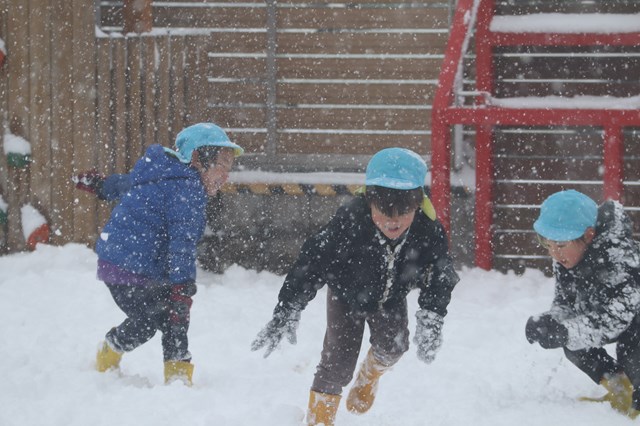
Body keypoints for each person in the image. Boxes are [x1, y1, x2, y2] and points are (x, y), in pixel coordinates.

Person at [251, 148, 460, 425]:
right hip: (346, 297)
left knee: (394, 348)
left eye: (402, 213)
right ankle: (319, 421)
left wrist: (432, 316)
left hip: (391, 299)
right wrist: (289, 306)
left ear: (418, 204)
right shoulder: (349, 223)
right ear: (369, 200)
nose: (392, 221)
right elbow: (312, 263)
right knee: (336, 365)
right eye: (384, 212)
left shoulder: (427, 231)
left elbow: (440, 275)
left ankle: (370, 374)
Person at [74, 123, 243, 385]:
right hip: (125, 265)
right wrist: (182, 286)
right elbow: (182, 243)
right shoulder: (187, 189)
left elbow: (127, 183)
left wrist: (102, 185)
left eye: (229, 167)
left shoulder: (164, 173)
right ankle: (110, 352)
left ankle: (177, 378)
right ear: (198, 158)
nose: (226, 175)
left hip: (144, 265)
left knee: (173, 318)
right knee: (148, 322)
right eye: (222, 164)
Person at [525, 189, 640, 418]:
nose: (554, 253)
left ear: (588, 235)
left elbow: (616, 319)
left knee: (632, 351)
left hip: (633, 322)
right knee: (574, 343)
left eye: (560, 245)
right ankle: (621, 389)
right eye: (547, 244)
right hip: (619, 321)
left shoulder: (619, 257)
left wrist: (567, 331)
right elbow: (567, 303)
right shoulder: (567, 258)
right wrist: (551, 322)